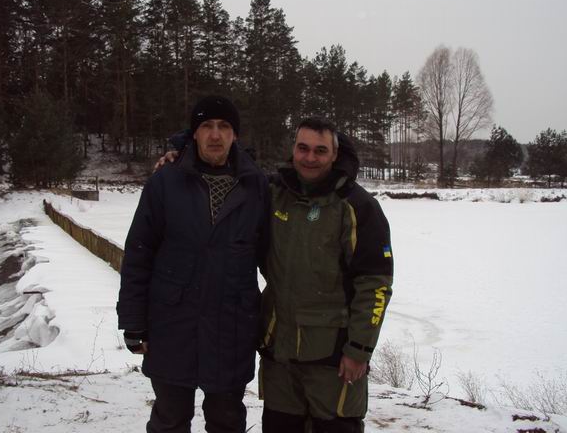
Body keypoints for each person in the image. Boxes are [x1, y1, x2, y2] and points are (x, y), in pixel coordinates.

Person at [116, 95, 269, 433]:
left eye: (224, 126)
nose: (215, 134)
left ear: (235, 134)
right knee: (170, 420)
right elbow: (139, 253)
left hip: (232, 327)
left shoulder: (256, 185)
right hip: (172, 325)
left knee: (227, 421)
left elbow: (273, 257)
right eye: (207, 126)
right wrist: (133, 321)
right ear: (194, 133)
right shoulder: (165, 182)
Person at [259, 117, 393, 433]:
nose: (310, 157)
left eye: (320, 151)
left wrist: (359, 350)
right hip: (279, 354)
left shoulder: (358, 206)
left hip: (334, 360)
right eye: (303, 148)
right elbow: (228, 170)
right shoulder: (273, 193)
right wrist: (179, 153)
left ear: (334, 155)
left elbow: (375, 285)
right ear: (293, 149)